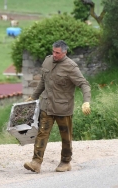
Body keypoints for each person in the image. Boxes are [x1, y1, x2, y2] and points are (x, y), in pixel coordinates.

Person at [24, 40, 91, 173]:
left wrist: (86, 101)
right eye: (53, 51)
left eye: (57, 53)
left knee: (66, 136)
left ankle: (66, 162)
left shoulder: (71, 67)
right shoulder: (47, 61)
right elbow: (42, 82)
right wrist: (34, 96)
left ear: (64, 53)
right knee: (42, 133)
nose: (54, 55)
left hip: (63, 108)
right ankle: (36, 162)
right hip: (47, 106)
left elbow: (84, 84)